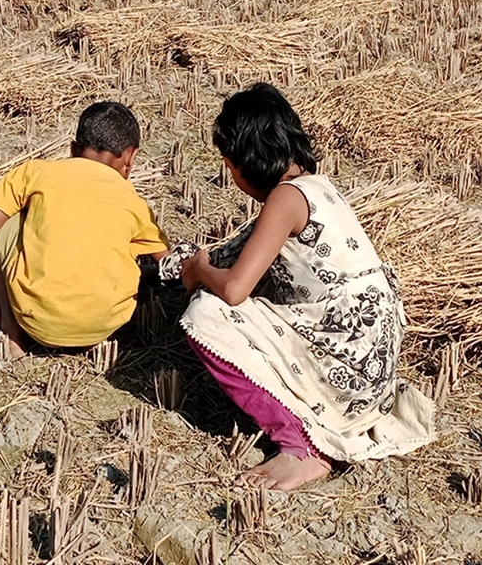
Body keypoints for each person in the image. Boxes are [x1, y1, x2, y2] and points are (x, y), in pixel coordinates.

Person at [177, 83, 435, 490]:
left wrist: (198, 270)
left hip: (348, 366)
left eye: (228, 164)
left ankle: (302, 447)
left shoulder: (284, 200)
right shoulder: (319, 187)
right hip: (373, 370)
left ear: (246, 160)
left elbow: (233, 290)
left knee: (205, 316)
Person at [0, 101, 169, 358]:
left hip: (35, 321)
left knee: (6, 221)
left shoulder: (33, 173)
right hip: (102, 327)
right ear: (131, 158)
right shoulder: (133, 200)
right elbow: (169, 266)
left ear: (72, 148)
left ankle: (12, 333)